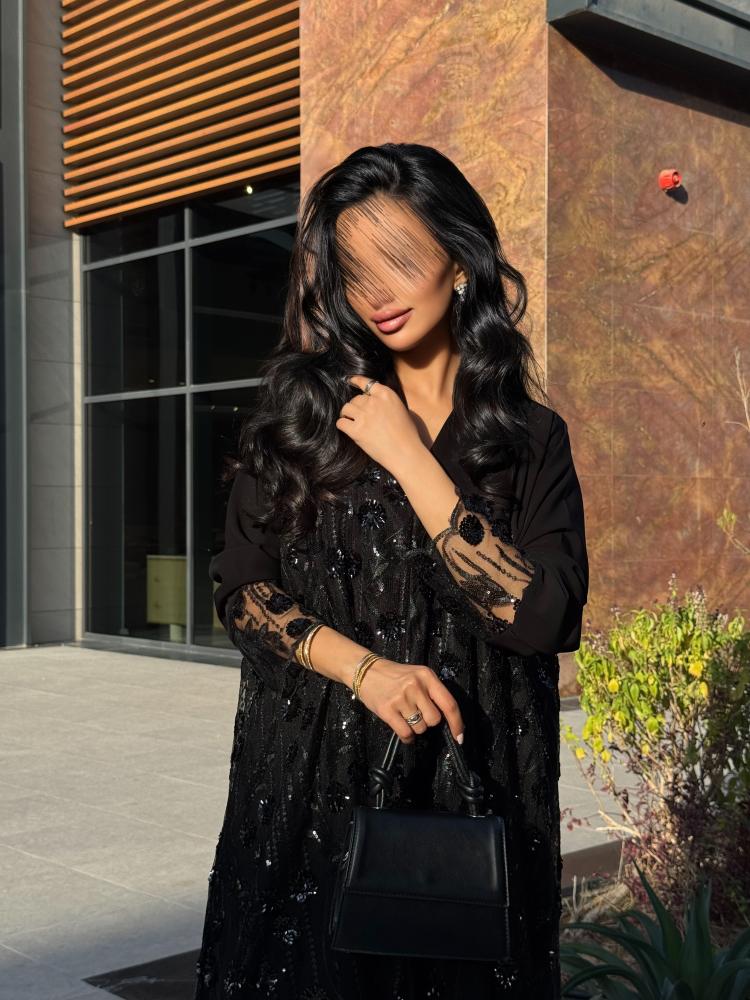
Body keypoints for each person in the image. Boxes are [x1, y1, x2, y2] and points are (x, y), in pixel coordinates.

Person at [193, 142, 589, 1000]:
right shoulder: (305, 415)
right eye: (355, 269)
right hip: (313, 788)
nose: (377, 292)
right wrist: (365, 671)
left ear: (461, 263)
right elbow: (244, 592)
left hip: (475, 800)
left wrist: (412, 458)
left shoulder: (529, 438)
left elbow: (545, 617)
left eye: (400, 260)